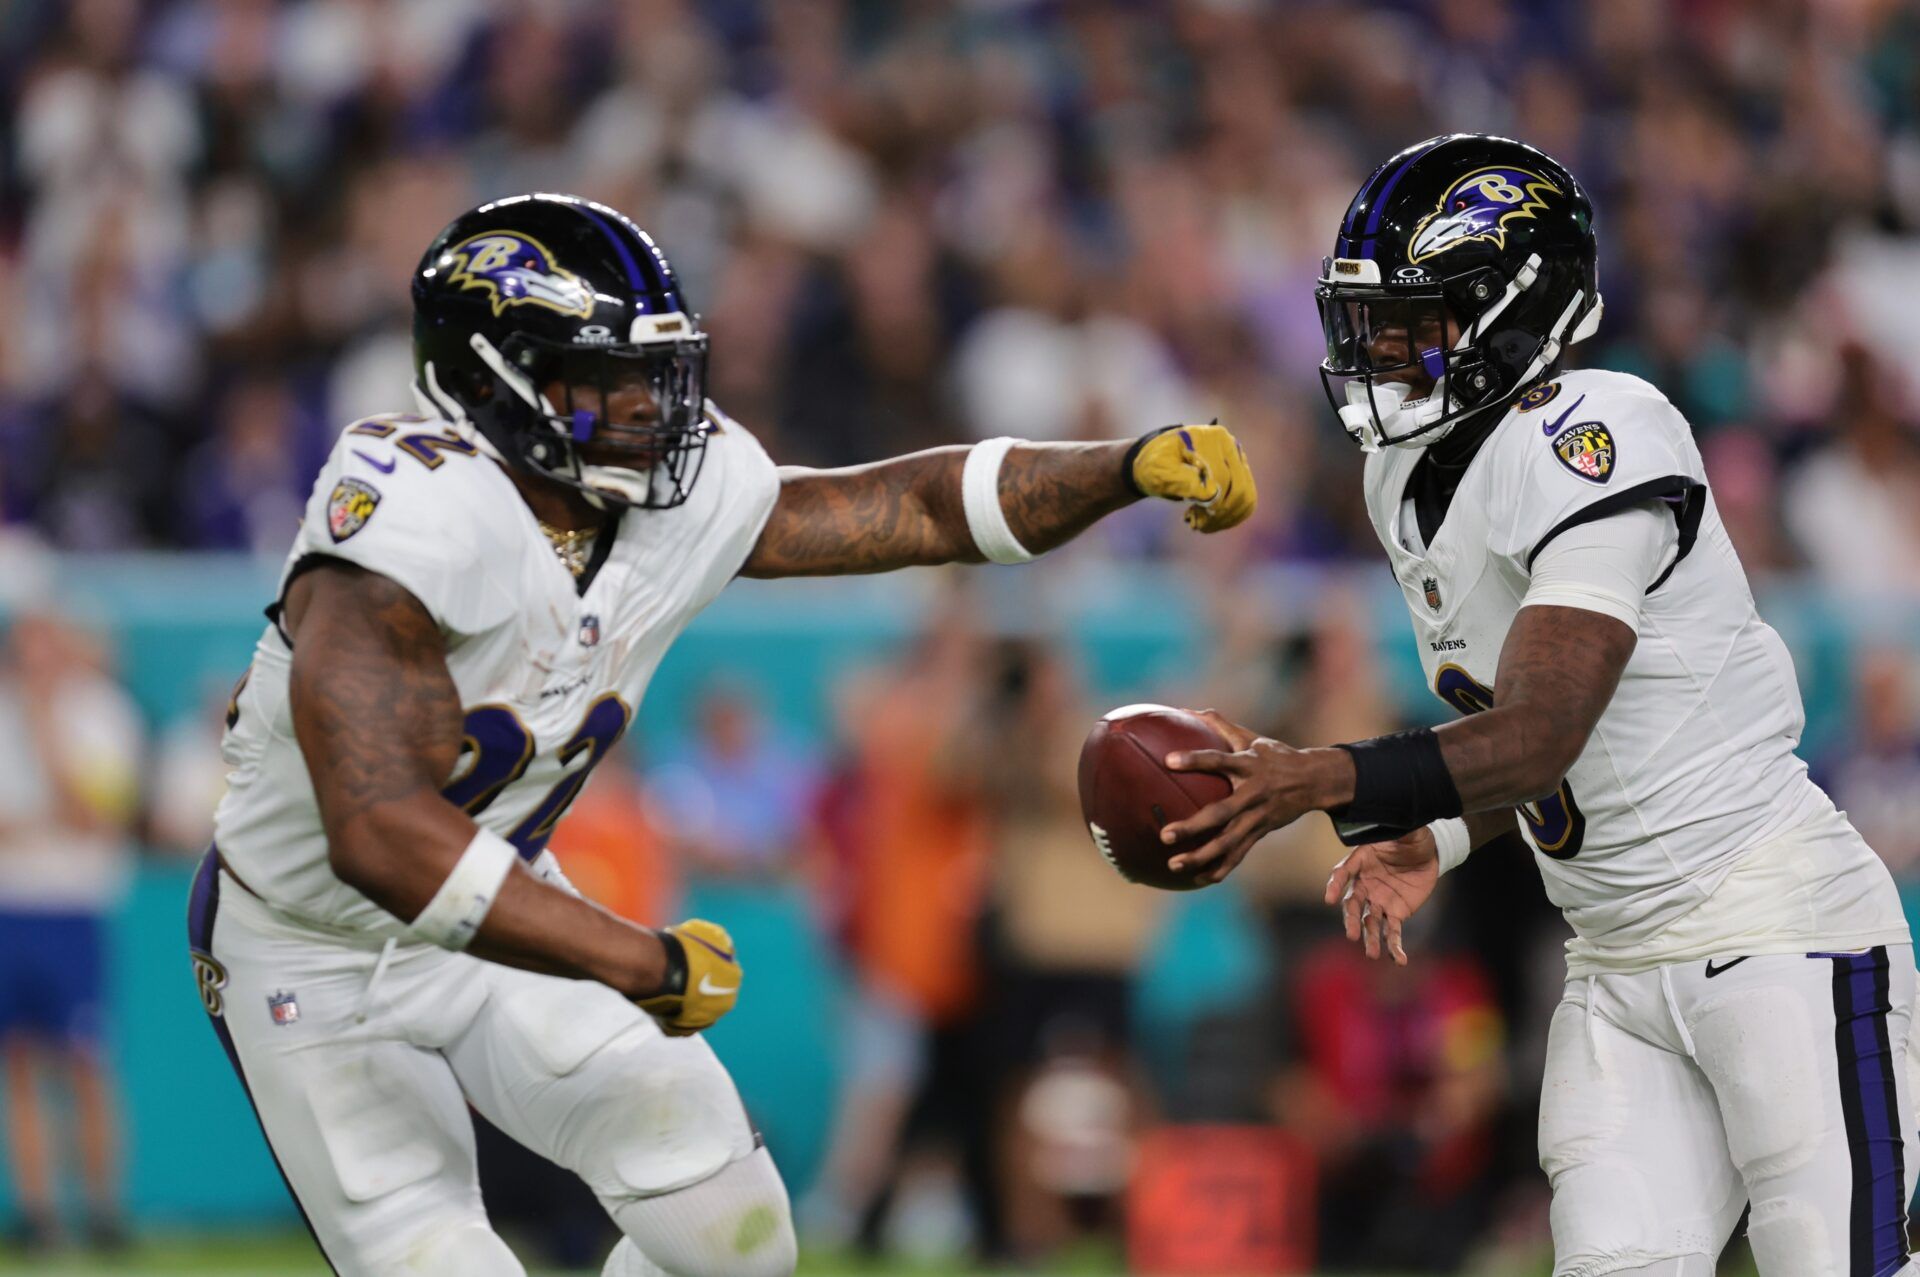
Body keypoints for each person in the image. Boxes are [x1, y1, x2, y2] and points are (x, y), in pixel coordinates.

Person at [186, 192, 1256, 1277]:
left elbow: (923, 507)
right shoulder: (409, 517)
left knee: (735, 1235)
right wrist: (634, 954)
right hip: (310, 948)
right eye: (602, 378)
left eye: (658, 372)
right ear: (486, 380)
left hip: (501, 897)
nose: (650, 408)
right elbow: (376, 833)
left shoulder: (671, 499)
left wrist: (1123, 466)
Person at [1161, 135, 1918, 1277]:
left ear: (1515, 309)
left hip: (1775, 926)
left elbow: (1547, 726)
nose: (1380, 352)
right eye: (1368, 323)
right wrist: (1450, 829)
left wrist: (1317, 776)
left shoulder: (1592, 432)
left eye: (1416, 320)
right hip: (1615, 960)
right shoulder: (1401, 475)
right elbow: (1569, 744)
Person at [0, 607, 141, 1255]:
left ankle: (105, 1209)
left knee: (85, 1060)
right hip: (11, 906)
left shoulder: (103, 713)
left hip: (72, 906)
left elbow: (93, 815)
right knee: (21, 1062)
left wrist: (45, 727)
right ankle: (40, 1212)